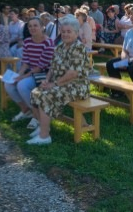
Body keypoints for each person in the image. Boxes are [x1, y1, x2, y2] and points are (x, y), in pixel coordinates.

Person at [28, 15, 91, 145]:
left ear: (76, 33)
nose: (65, 34)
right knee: (35, 92)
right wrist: (46, 80)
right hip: (60, 84)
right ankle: (43, 126)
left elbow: (73, 73)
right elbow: (52, 67)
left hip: (77, 86)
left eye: (69, 32)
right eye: (63, 32)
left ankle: (44, 137)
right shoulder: (60, 47)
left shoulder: (78, 48)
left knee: (45, 96)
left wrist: (54, 84)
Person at [5, 18, 55, 130]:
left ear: (42, 27)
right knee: (8, 84)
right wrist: (19, 75)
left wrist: (22, 77)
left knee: (22, 85)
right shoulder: (27, 41)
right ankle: (26, 110)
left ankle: (37, 116)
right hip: (31, 72)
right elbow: (25, 62)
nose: (32, 28)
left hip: (44, 74)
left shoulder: (48, 43)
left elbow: (40, 67)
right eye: (30, 26)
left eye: (35, 25)